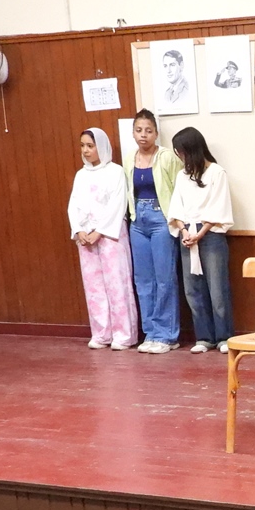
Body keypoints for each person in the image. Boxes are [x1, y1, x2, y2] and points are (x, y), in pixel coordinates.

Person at [67, 128, 139, 351]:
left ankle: (124, 335)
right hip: (86, 238)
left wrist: (99, 231)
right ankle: (101, 333)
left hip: (110, 236)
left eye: (90, 146)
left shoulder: (115, 172)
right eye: (82, 146)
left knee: (117, 285)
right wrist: (79, 230)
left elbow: (118, 204)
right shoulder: (81, 175)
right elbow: (73, 205)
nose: (85, 150)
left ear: (102, 146)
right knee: (94, 287)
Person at [167, 127, 235, 353]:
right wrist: (184, 231)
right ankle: (204, 337)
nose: (180, 157)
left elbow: (219, 207)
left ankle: (224, 337)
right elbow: (176, 207)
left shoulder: (217, 172)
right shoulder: (182, 176)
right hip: (188, 235)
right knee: (192, 290)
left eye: (181, 152)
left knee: (217, 288)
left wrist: (200, 232)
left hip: (211, 235)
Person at [124, 109, 183, 354]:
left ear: (156, 133)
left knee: (164, 278)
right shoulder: (129, 158)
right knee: (143, 279)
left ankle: (167, 335)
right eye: (139, 130)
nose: (143, 135)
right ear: (133, 133)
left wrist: (178, 221)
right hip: (138, 221)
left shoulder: (166, 157)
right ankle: (150, 333)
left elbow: (181, 189)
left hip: (161, 219)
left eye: (148, 131)